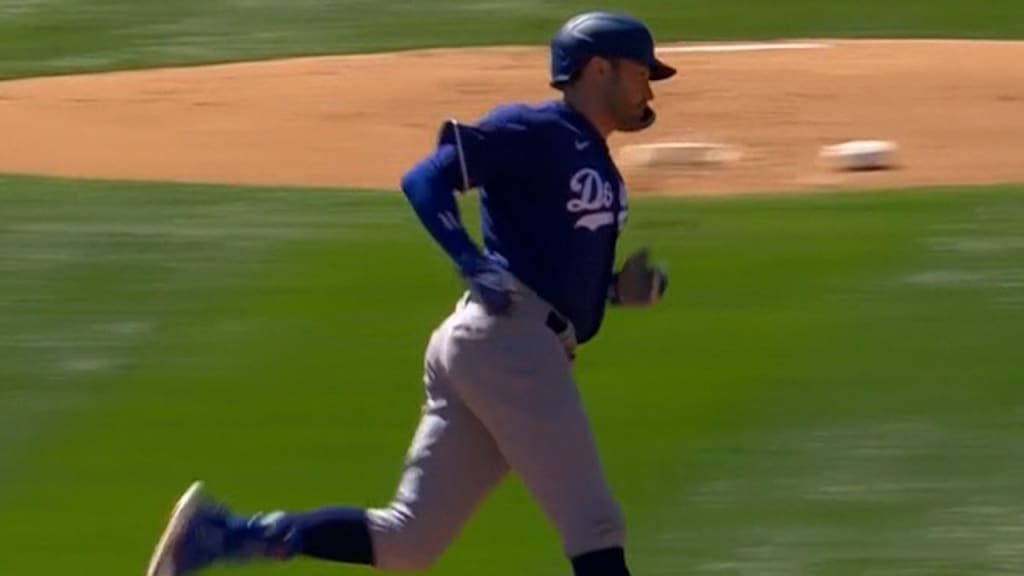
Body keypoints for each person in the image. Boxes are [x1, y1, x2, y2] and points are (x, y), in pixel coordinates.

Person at [145, 10, 674, 576]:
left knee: (407, 542)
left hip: (497, 345)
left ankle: (222, 534)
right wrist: (469, 260)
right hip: (511, 345)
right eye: (641, 72)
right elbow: (424, 178)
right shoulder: (534, 129)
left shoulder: (595, 159)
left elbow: (550, 262)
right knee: (593, 526)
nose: (648, 87)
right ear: (599, 69)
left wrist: (615, 291)